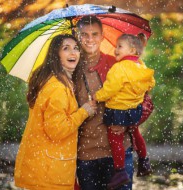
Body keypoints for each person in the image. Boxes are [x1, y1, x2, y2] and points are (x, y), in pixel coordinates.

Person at [73, 16, 154, 190]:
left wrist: (129, 123)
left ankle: (142, 160)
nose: (90, 39)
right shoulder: (71, 69)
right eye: (84, 34)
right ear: (77, 36)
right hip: (86, 156)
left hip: (119, 154)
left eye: (95, 34)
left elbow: (146, 102)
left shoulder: (119, 63)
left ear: (102, 36)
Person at [14, 34, 97, 190]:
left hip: (44, 168)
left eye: (76, 48)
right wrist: (84, 111)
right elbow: (56, 130)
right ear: (56, 55)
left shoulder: (57, 82)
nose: (73, 53)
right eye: (66, 49)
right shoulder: (57, 88)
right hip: (49, 172)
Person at [95, 33, 155, 189]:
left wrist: (97, 97)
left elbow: (110, 89)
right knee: (135, 132)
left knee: (115, 138)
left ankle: (120, 170)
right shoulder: (141, 66)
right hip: (135, 109)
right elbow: (150, 83)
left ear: (133, 49)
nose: (115, 49)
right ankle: (144, 160)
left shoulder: (119, 68)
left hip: (118, 110)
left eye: (120, 46)